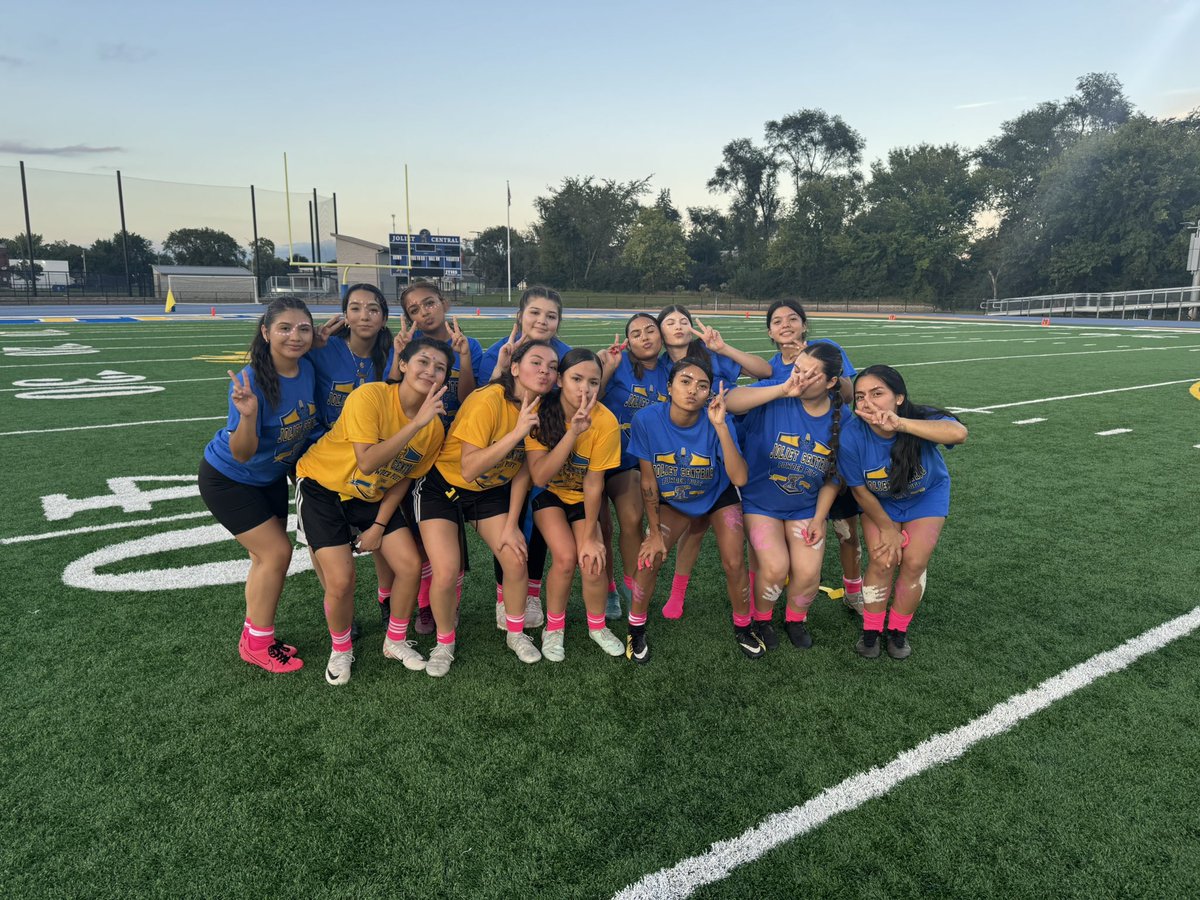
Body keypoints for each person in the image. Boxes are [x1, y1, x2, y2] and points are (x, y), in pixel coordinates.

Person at [294, 337, 451, 685]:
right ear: (405, 364)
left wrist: (380, 523)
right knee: (341, 580)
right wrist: (416, 423)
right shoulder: (371, 396)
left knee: (410, 567)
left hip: (370, 496)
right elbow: (366, 461)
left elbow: (403, 478)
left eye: (440, 368)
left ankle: (394, 640)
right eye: (423, 362)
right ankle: (341, 647)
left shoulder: (435, 429)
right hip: (324, 486)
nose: (431, 371)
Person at [410, 339, 559, 676]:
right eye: (536, 362)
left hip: (489, 491)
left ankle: (516, 633)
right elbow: (468, 468)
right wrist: (518, 431)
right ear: (516, 368)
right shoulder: (488, 400)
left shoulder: (544, 408)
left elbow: (523, 469)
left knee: (515, 555)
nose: (545, 371)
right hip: (442, 487)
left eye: (552, 366)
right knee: (446, 570)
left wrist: (510, 523)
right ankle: (444, 642)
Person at [198, 297, 319, 674]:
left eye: (303, 328)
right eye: (284, 328)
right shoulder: (251, 381)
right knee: (276, 554)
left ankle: (256, 634)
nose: (294, 336)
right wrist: (248, 415)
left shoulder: (309, 368)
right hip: (230, 479)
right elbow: (242, 452)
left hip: (270, 478)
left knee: (262, 559)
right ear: (266, 332)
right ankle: (257, 643)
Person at [626, 356, 757, 663]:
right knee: (649, 558)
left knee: (734, 562)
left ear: (709, 393)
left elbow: (739, 478)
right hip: (674, 498)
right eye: (685, 382)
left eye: (702, 386)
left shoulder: (717, 421)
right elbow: (648, 481)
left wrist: (721, 427)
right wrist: (654, 532)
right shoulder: (646, 419)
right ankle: (636, 627)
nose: (692, 391)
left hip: (718, 492)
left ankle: (744, 625)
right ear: (669, 387)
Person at [839, 365, 968, 659]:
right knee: (884, 560)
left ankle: (898, 630)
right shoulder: (851, 435)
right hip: (879, 502)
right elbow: (860, 490)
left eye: (877, 393)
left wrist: (900, 425)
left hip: (926, 496)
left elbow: (958, 433)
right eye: (860, 397)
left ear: (898, 397)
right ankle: (871, 631)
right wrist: (887, 528)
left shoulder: (918, 417)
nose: (867, 402)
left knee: (914, 561)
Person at [725, 342, 847, 651]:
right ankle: (762, 618)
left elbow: (834, 478)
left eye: (812, 375)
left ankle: (796, 618)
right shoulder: (776, 393)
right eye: (798, 370)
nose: (801, 378)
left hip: (806, 506)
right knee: (776, 567)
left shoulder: (842, 419)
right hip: (760, 503)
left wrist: (820, 518)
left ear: (832, 382)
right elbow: (731, 401)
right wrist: (782, 388)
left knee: (808, 571)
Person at [654, 304, 772, 619]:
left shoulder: (711, 353)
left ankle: (751, 593)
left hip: (724, 442)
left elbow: (765, 371)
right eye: (669, 322)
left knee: (740, 525)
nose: (678, 326)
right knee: (696, 524)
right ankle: (677, 593)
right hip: (685, 456)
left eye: (683, 321)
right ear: (660, 331)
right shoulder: (658, 364)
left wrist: (723, 347)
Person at [388, 281, 483, 636]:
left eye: (429, 303)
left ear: (443, 302)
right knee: (415, 534)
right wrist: (399, 355)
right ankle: (425, 604)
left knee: (449, 535)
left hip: (453, 451)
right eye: (414, 309)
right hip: (414, 447)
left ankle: (446, 603)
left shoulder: (466, 344)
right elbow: (393, 395)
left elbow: (472, 400)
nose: (424, 312)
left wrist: (464, 358)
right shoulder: (407, 349)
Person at [477, 286, 572, 630]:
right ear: (520, 315)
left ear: (559, 321)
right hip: (505, 451)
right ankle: (504, 596)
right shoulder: (500, 350)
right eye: (534, 312)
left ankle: (531, 593)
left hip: (543, 447)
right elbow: (482, 400)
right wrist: (503, 363)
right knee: (509, 524)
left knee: (540, 522)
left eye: (551, 315)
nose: (542, 320)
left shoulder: (565, 355)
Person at [764, 299, 866, 613]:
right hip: (797, 458)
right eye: (778, 320)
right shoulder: (772, 365)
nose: (786, 325)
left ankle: (853, 591)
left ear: (804, 324)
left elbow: (848, 396)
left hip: (832, 450)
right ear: (770, 330)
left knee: (846, 530)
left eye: (793, 318)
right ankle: (788, 587)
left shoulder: (825, 349)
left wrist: (810, 358)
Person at [526, 349, 626, 660]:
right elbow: (540, 476)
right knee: (566, 558)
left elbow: (594, 483)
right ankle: (554, 628)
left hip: (583, 497)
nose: (584, 388)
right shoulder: (540, 413)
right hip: (549, 495)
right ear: (559, 380)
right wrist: (573, 433)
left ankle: (597, 627)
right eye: (576, 379)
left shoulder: (606, 421)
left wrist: (591, 536)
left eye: (593, 382)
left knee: (592, 558)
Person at [596, 313, 669, 620]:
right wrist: (607, 370)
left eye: (650, 330)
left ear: (661, 337)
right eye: (636, 333)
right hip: (599, 458)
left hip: (635, 463)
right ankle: (609, 588)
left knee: (631, 519)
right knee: (601, 529)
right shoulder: (617, 362)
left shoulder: (672, 368)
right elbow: (586, 400)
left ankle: (630, 588)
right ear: (628, 341)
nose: (645, 337)